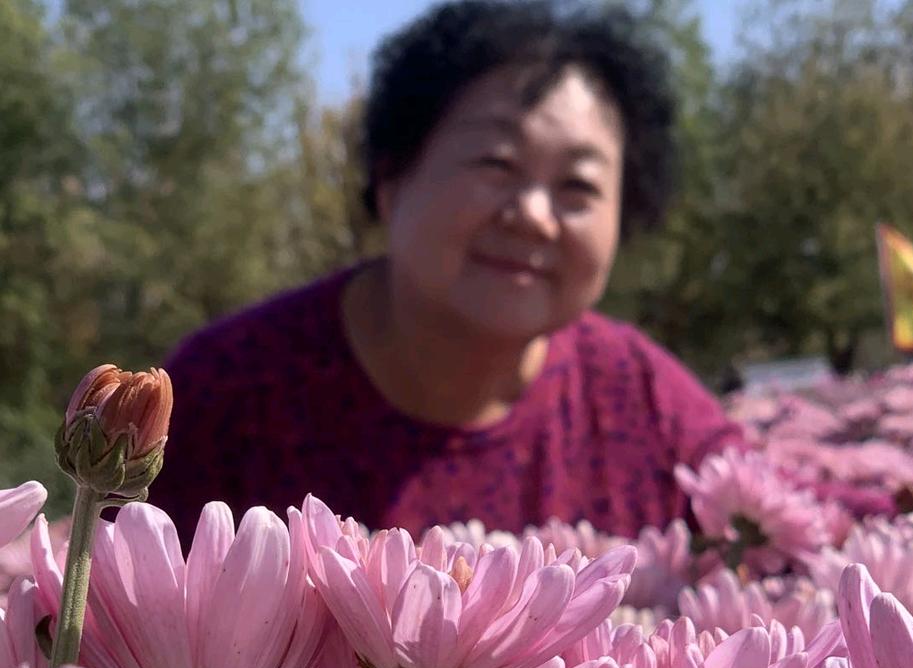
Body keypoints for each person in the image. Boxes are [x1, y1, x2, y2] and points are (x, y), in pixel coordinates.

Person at [151, 0, 744, 545]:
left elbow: (807, 532)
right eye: (497, 163)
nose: (534, 217)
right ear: (391, 180)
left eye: (578, 186)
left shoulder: (649, 408)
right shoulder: (223, 395)